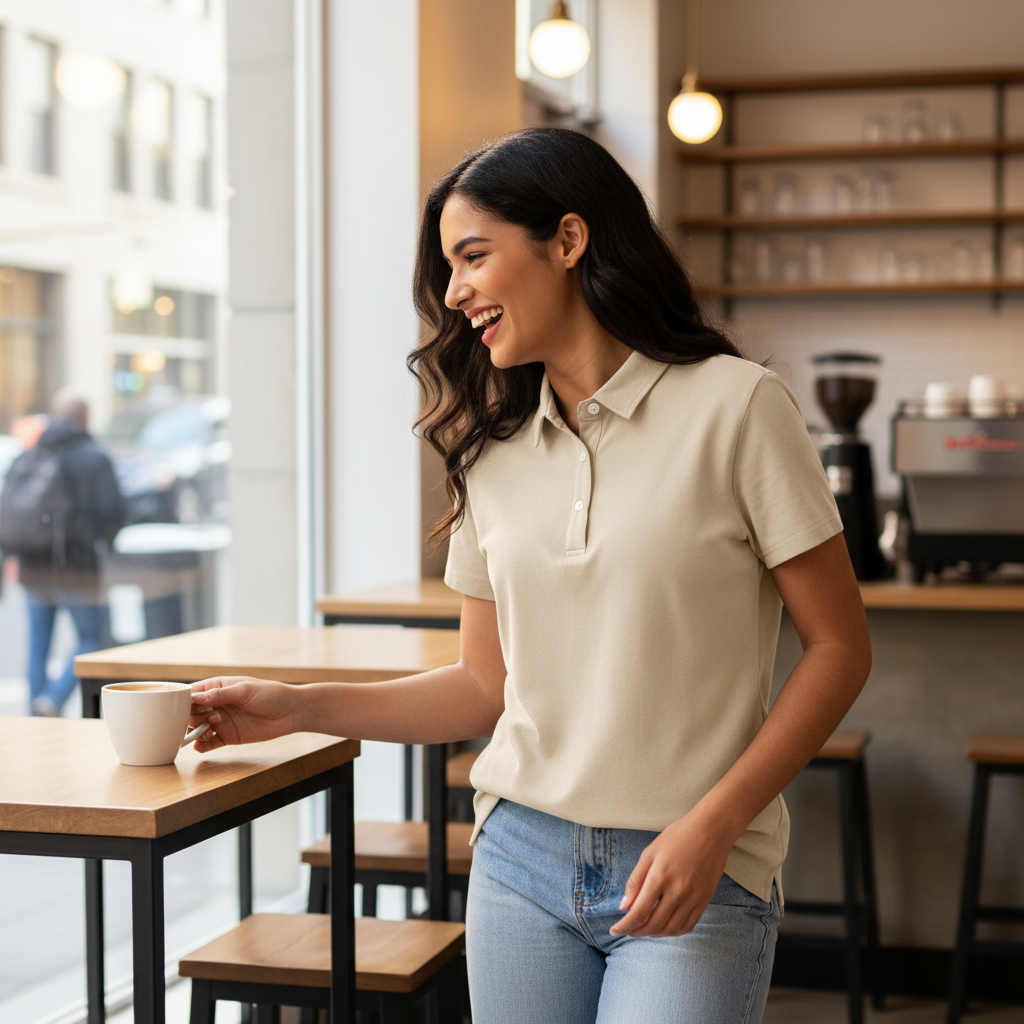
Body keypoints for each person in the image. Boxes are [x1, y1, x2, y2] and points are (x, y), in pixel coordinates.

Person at [188, 127, 871, 1023]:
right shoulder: (490, 449)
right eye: (447, 269)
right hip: (520, 865)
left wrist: (716, 825)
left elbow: (838, 648)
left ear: (569, 240)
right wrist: (300, 708)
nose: (454, 291)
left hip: (694, 866)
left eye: (473, 256)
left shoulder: (738, 407)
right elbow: (483, 688)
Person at [4, 389, 126, 716]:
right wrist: (105, 545)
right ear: (84, 418)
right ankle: (54, 698)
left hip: (34, 567)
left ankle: (36, 714)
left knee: (38, 645)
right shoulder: (93, 456)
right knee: (94, 638)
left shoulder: (29, 454)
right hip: (77, 567)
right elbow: (113, 511)